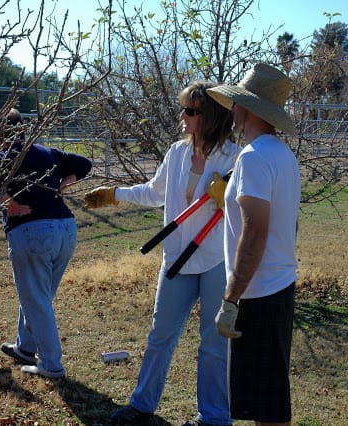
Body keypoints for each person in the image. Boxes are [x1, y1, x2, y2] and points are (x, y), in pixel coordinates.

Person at [84, 80, 236, 426]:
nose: (182, 116)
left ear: (210, 117)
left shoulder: (235, 157)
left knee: (213, 344)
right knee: (160, 335)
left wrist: (228, 198)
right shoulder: (178, 153)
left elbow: (248, 211)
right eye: (183, 108)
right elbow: (154, 193)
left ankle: (213, 418)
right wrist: (114, 194)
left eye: (190, 111)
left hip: (215, 260)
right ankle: (141, 406)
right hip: (176, 259)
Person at [207, 63, 300, 426]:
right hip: (278, 285)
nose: (232, 110)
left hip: (258, 294)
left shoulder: (253, 158)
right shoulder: (283, 155)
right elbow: (289, 224)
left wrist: (231, 299)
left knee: (268, 406)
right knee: (268, 401)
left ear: (246, 109)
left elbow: (255, 234)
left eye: (236, 103)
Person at [0, 107, 92, 379]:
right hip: (65, 229)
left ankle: (51, 365)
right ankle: (25, 348)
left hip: (33, 233)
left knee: (36, 300)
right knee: (40, 296)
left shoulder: (7, 155)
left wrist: (11, 204)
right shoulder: (47, 152)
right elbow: (84, 164)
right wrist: (61, 186)